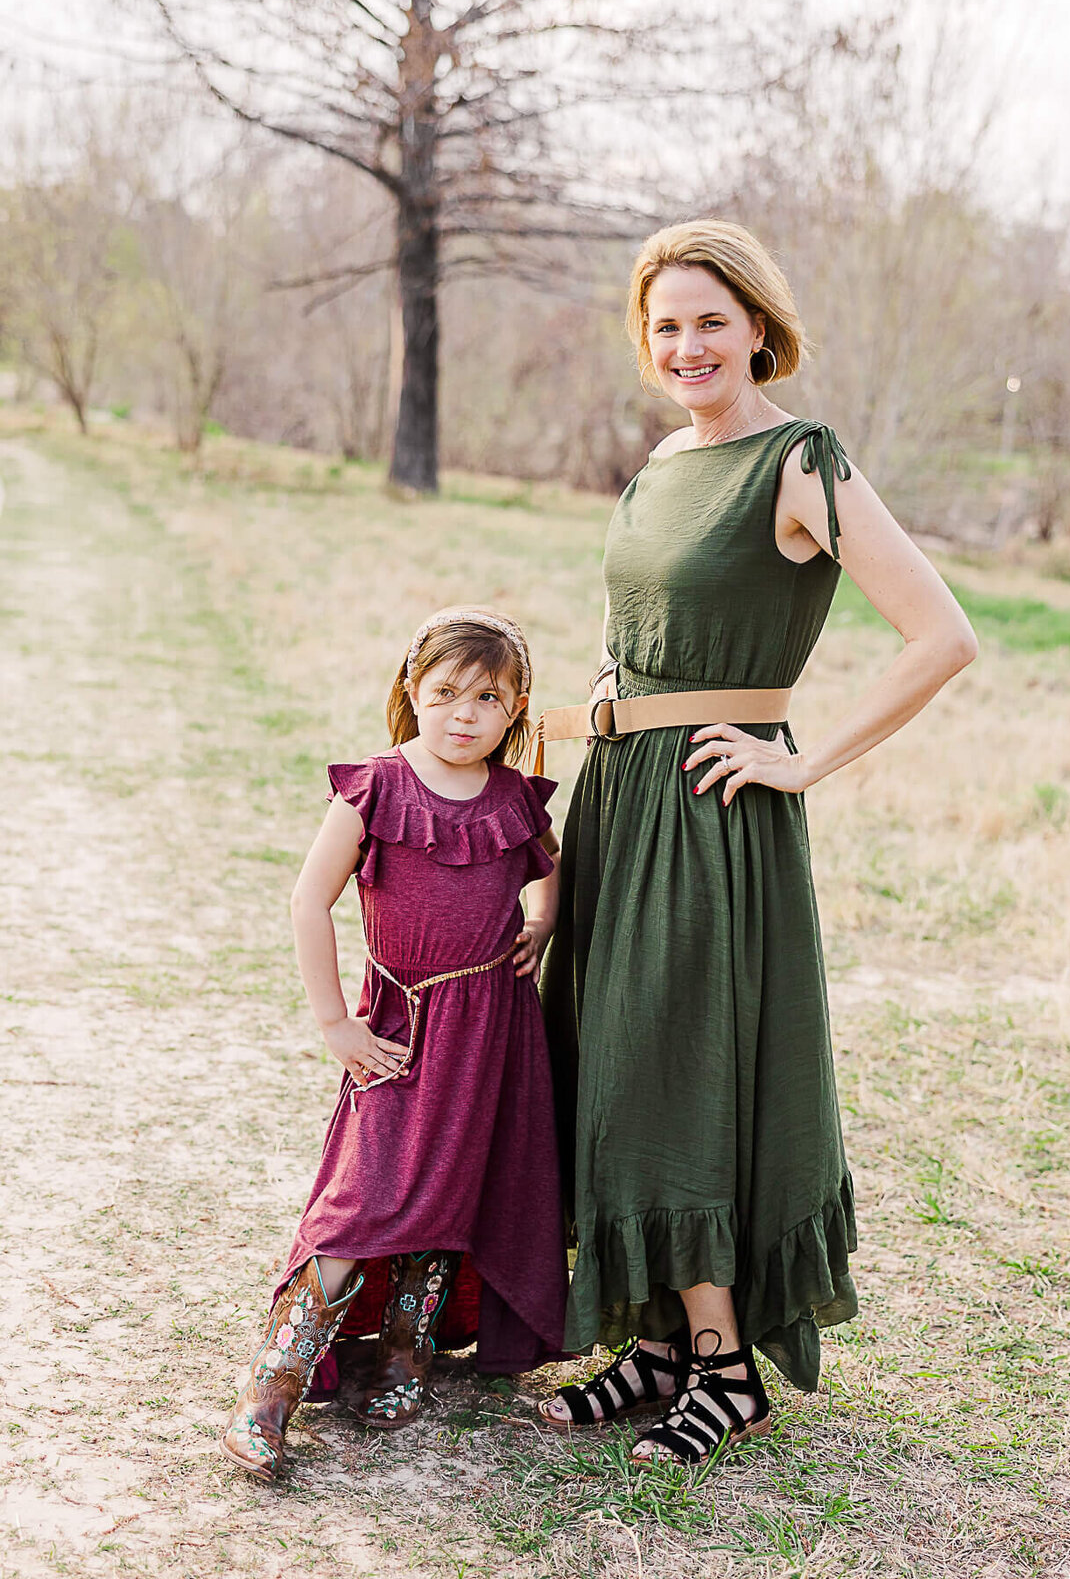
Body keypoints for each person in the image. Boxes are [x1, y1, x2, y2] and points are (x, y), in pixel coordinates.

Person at [536, 220, 978, 1467]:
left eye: (709, 322)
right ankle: (666, 1347)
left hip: (715, 816)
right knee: (613, 1065)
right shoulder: (662, 461)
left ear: (758, 326)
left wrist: (804, 758)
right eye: (665, 326)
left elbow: (941, 636)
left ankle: (728, 1369)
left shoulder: (799, 462)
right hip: (620, 801)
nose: (686, 346)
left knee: (675, 1080)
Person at [220, 609, 566, 1480]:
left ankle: (406, 1363)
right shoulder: (377, 787)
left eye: (489, 697)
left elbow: (548, 865)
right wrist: (336, 1021)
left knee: (456, 1182)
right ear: (411, 691)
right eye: (445, 692)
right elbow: (308, 901)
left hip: (491, 1028)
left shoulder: (515, 799)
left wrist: (543, 917)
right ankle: (273, 1388)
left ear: (517, 706)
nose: (464, 713)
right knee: (364, 1194)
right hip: (401, 1030)